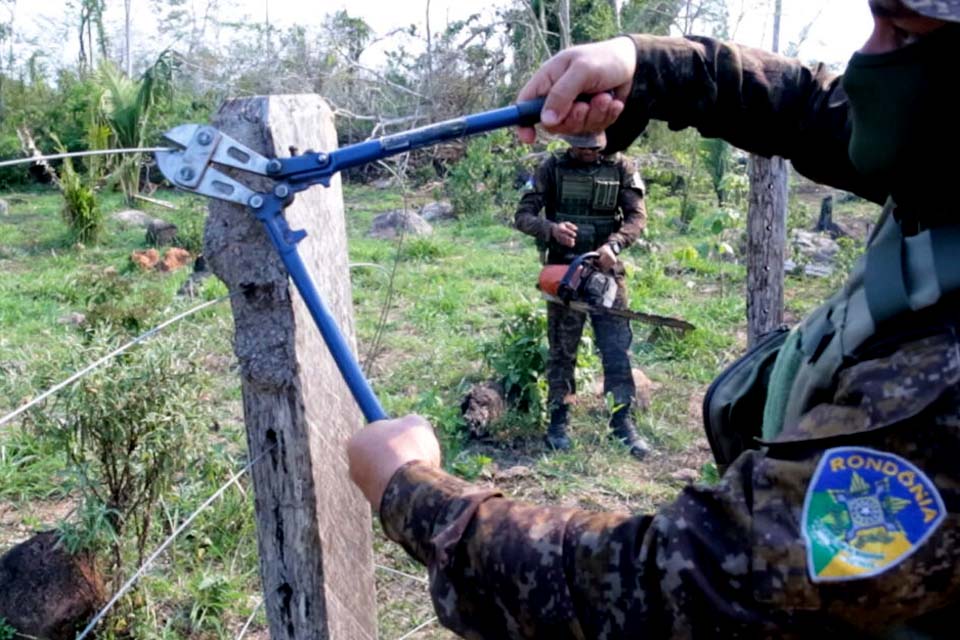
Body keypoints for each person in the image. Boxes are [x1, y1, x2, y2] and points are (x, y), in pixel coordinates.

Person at [348, 1, 960, 637]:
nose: (865, 63)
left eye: (908, 33)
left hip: (604, 278)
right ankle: (558, 420)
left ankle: (622, 424)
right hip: (564, 281)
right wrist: (645, 65)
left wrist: (417, 498)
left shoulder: (944, 394)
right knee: (562, 359)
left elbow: (687, 587)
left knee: (616, 358)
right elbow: (814, 107)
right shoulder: (936, 163)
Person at [515, 131, 649, 457]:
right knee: (562, 350)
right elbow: (523, 215)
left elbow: (636, 216)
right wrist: (551, 230)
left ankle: (622, 421)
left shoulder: (621, 166)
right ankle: (558, 421)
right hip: (565, 271)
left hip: (606, 271)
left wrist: (615, 244)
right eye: (581, 147)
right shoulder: (551, 167)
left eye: (594, 148)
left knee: (616, 348)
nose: (588, 153)